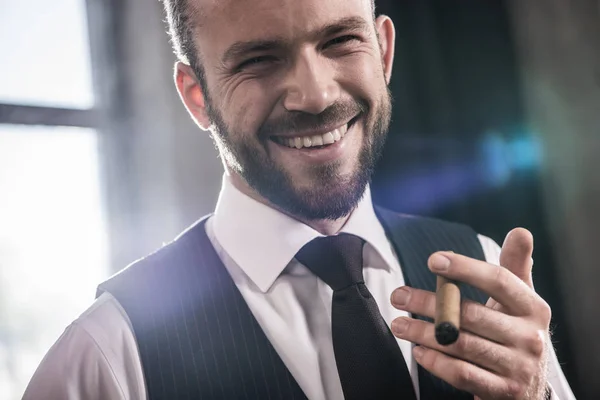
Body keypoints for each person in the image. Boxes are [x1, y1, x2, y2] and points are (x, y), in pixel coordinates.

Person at [24, 0, 576, 399]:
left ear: (382, 51)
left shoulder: (481, 270)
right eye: (258, 60)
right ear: (198, 98)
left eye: (340, 41)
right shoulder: (103, 358)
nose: (315, 95)